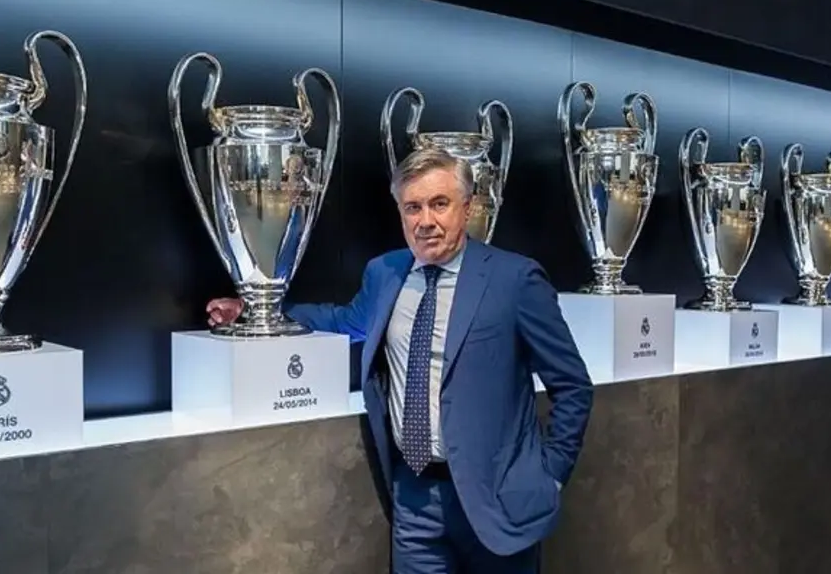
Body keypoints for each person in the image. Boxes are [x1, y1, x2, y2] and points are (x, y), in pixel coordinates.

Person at [207, 148, 594, 573]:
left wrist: (550, 475)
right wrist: (257, 310)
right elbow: (346, 321)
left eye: (439, 204)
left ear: (467, 208)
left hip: (500, 499)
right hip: (414, 500)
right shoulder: (385, 273)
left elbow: (572, 384)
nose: (425, 220)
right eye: (413, 207)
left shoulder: (515, 279)